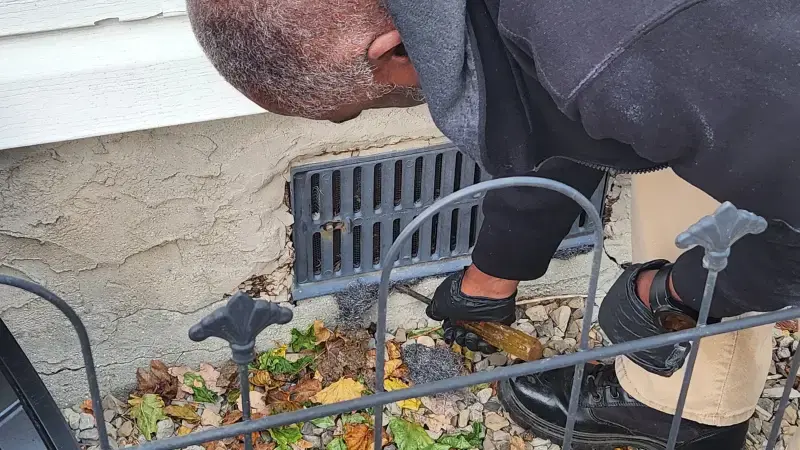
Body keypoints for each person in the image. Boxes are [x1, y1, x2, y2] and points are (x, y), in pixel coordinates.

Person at [185, 0, 800, 448]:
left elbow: (596, 72)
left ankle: (686, 416)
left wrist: (673, 294)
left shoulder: (615, 43)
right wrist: (492, 275)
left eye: (362, 105)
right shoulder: (592, 45)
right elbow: (559, 106)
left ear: (393, 49)